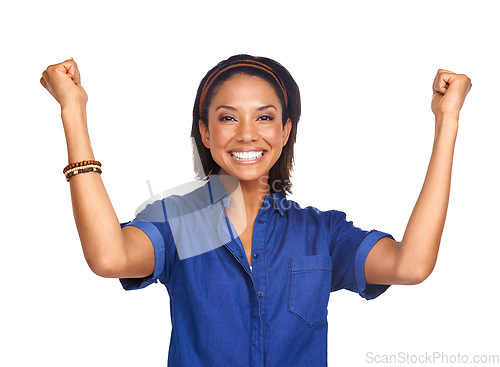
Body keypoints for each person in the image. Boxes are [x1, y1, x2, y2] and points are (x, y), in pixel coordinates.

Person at [40, 54, 472, 366]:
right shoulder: (182, 224)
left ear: (286, 132)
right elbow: (109, 256)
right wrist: (73, 110)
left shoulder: (320, 234)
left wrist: (447, 120)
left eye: (264, 118)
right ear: (205, 133)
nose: (247, 135)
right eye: (228, 118)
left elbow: (411, 264)